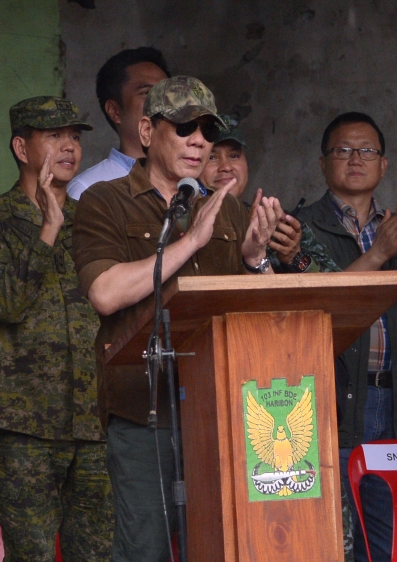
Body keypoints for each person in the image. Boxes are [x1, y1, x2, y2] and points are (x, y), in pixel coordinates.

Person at [73, 76, 284, 562]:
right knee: (146, 549)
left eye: (208, 131)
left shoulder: (225, 209)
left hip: (220, 409)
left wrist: (256, 259)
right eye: (185, 128)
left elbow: (261, 314)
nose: (199, 142)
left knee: (221, 545)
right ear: (147, 131)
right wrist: (190, 241)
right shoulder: (105, 200)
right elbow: (105, 293)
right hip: (144, 413)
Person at [301, 111, 397, 562]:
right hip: (336, 400)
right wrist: (380, 251)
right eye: (343, 150)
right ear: (323, 163)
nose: (355, 159)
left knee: (391, 539)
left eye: (367, 151)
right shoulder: (299, 227)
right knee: (335, 537)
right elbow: (325, 307)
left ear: (383, 165)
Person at [0, 96, 113, 560]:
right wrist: (47, 230)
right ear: (22, 148)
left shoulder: (94, 222)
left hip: (95, 422)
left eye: (75, 137)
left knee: (98, 554)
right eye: (55, 136)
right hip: (23, 427)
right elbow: (4, 303)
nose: (69, 146)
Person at [200, 114, 340, 274]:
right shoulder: (184, 222)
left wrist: (295, 256)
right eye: (212, 157)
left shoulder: (277, 226)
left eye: (234, 156)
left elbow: (340, 287)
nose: (226, 166)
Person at [67, 47, 170, 200]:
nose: (163, 103)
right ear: (115, 111)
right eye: (147, 93)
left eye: (167, 93)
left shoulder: (191, 181)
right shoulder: (88, 190)